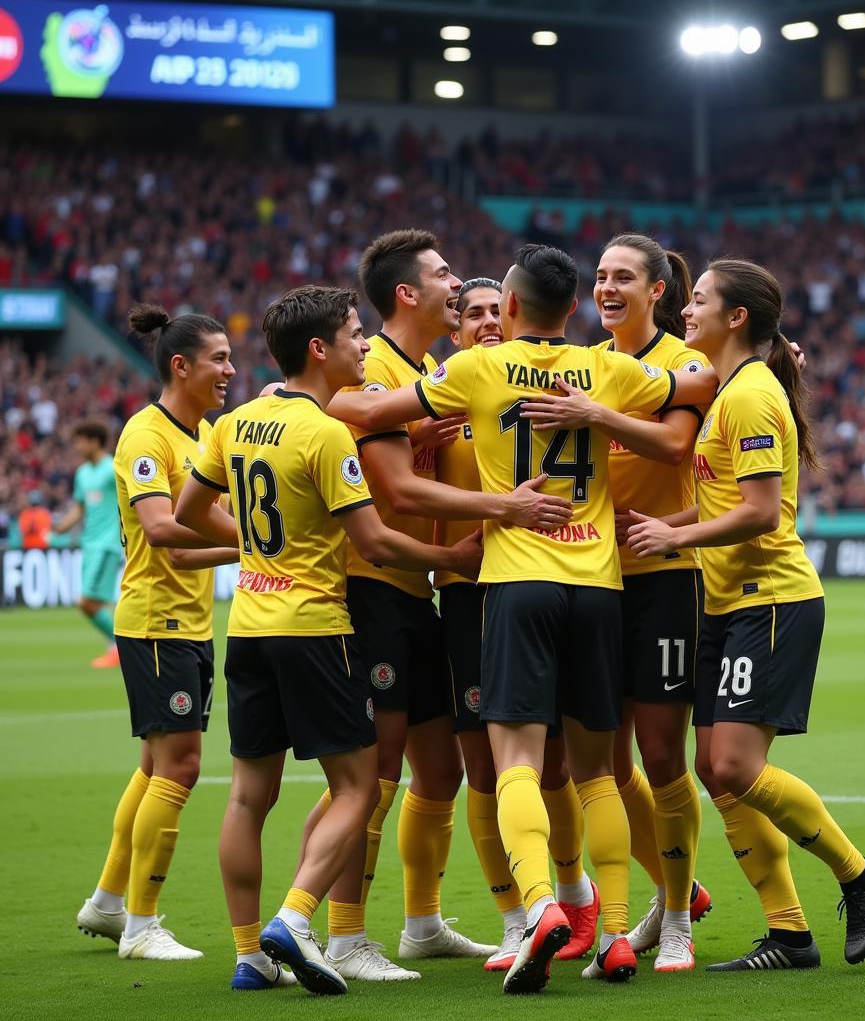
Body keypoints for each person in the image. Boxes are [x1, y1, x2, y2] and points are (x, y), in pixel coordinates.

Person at [325, 243, 719, 995]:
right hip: (600, 585)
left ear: (507, 310)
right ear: (573, 309)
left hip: (513, 581)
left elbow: (365, 408)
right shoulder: (605, 369)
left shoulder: (476, 369)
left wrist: (302, 394)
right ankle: (612, 932)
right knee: (599, 771)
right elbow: (697, 378)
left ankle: (537, 906)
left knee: (513, 763)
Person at [175, 285, 483, 995]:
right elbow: (373, 540)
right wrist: (449, 560)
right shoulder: (325, 433)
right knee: (360, 784)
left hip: (248, 624)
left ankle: (250, 955)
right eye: (352, 334)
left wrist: (257, 550)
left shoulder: (237, 421)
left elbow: (193, 511)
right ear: (319, 349)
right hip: (314, 627)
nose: (364, 345)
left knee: (249, 798)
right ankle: (298, 918)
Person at [297, 231, 569, 982]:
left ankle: (421, 922)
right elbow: (396, 486)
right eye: (446, 275)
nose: (459, 286)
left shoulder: (430, 373)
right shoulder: (377, 366)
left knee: (439, 772)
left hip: (417, 591)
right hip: (374, 584)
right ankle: (338, 933)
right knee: (373, 772)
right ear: (409, 295)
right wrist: (495, 514)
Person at [626, 258, 865, 971]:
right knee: (713, 771)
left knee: (736, 766)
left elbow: (760, 512)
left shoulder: (747, 397)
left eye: (701, 301)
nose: (688, 310)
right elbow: (722, 502)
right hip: (726, 604)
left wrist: (674, 536)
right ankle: (790, 935)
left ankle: (863, 877)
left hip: (770, 602)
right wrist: (659, 522)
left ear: (735, 317)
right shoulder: (733, 388)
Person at [519, 234, 715, 971]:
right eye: (599, 276)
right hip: (593, 581)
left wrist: (596, 415)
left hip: (664, 576)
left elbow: (671, 448)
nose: (607, 287)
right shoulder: (587, 365)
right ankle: (666, 894)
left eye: (623, 276)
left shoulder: (679, 363)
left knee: (663, 756)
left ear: (657, 290)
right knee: (608, 766)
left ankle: (675, 926)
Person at [435, 277, 598, 971]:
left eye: (488, 312)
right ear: (456, 328)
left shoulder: (530, 385)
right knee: (487, 764)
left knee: (560, 760)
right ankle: (515, 916)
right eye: (468, 314)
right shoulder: (444, 392)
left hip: (540, 581)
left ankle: (577, 894)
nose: (482, 324)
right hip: (471, 591)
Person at [76, 304, 239, 961]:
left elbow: (199, 541)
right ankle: (142, 926)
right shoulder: (147, 437)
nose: (230, 369)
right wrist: (259, 544)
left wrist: (246, 549)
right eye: (219, 359)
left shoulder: (202, 436)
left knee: (154, 766)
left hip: (188, 620)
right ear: (181, 365)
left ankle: (111, 903)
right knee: (183, 765)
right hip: (154, 622)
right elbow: (163, 533)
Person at [53, 420, 124, 668]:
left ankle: (120, 645)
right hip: (89, 544)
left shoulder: (112, 468)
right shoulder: (83, 473)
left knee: (87, 602)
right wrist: (61, 526)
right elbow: (80, 507)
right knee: (97, 602)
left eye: (81, 440)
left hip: (108, 544)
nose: (77, 446)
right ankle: (117, 646)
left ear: (95, 441)